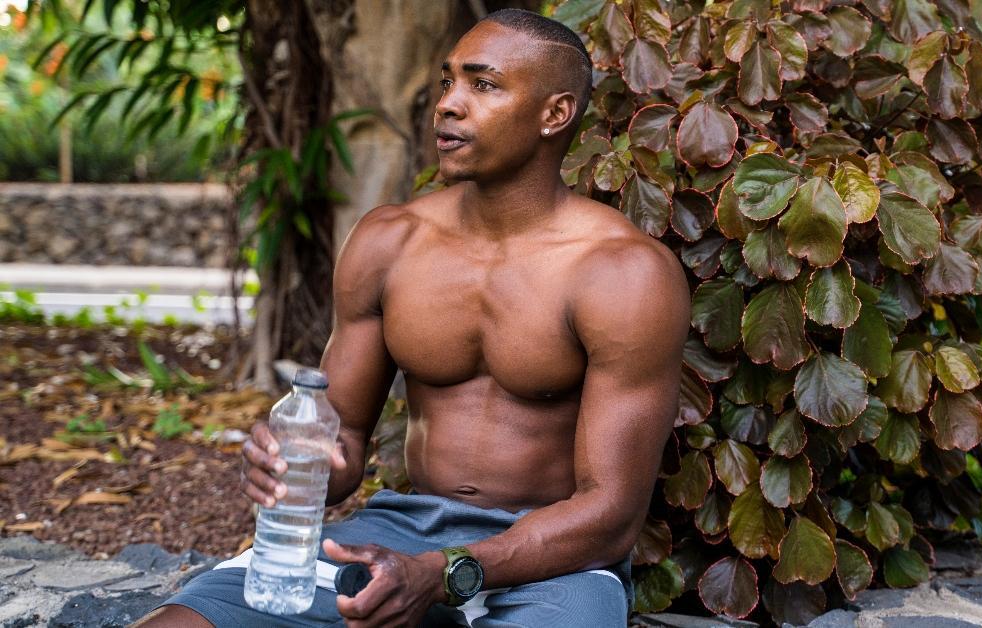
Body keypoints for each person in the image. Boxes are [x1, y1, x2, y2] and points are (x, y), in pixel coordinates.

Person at [132, 8, 690, 628]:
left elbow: (610, 516)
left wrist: (445, 570)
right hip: (396, 533)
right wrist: (301, 466)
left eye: (483, 85)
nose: (448, 104)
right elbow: (341, 441)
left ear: (554, 115)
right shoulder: (390, 242)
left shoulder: (623, 273)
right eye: (448, 81)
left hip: (551, 566)